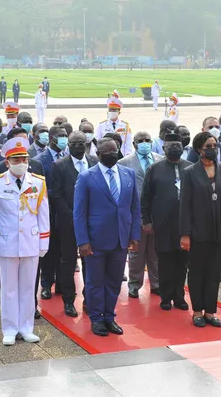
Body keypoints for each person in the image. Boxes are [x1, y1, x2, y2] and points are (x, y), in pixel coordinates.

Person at [74, 137, 141, 337]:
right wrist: (82, 241)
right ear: (99, 154)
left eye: (115, 150)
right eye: (107, 151)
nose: (113, 154)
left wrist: (134, 235)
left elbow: (134, 208)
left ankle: (109, 317)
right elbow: (79, 213)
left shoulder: (128, 174)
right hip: (95, 240)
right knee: (95, 282)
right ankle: (96, 318)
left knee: (113, 281)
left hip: (121, 238)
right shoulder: (87, 177)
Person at [0, 137, 49, 345]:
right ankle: (10, 328)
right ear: (7, 162)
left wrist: (43, 243)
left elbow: (43, 214)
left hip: (30, 241)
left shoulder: (38, 182)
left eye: (23, 159)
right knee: (9, 288)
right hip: (7, 242)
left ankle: (26, 327)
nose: (21, 163)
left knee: (28, 286)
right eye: (16, 160)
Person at [180, 131, 221, 328]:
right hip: (198, 232)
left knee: (214, 272)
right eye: (208, 146)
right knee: (197, 272)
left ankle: (210, 311)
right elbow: (185, 205)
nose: (212, 149)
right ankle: (197, 310)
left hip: (220, 231)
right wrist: (185, 234)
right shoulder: (190, 173)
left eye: (215, 146)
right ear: (199, 149)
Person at [141, 133, 192, 310]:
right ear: (163, 148)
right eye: (170, 145)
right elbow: (145, 197)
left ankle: (179, 296)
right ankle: (165, 297)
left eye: (177, 144)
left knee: (182, 262)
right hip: (162, 224)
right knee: (164, 262)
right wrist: (146, 220)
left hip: (185, 224)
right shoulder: (154, 169)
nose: (175, 148)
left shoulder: (191, 168)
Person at [52, 131, 99, 317]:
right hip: (68, 222)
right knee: (68, 261)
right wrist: (74, 217)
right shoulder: (59, 166)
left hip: (93, 222)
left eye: (82, 143)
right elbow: (56, 195)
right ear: (68, 145)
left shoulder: (95, 162)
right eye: (75, 143)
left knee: (91, 260)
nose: (79, 146)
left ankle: (89, 298)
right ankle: (69, 300)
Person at [119, 131, 163, 299]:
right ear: (135, 144)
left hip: (157, 214)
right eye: (141, 141)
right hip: (135, 215)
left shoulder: (160, 159)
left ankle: (156, 283)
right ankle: (134, 284)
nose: (145, 143)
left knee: (155, 252)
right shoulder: (124, 162)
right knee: (136, 252)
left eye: (147, 140)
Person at [35, 125, 69, 300]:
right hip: (47, 211)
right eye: (60, 135)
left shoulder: (69, 158)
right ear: (51, 138)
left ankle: (62, 284)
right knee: (48, 251)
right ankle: (46, 284)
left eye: (65, 135)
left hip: (65, 212)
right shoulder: (40, 160)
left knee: (64, 251)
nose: (63, 138)